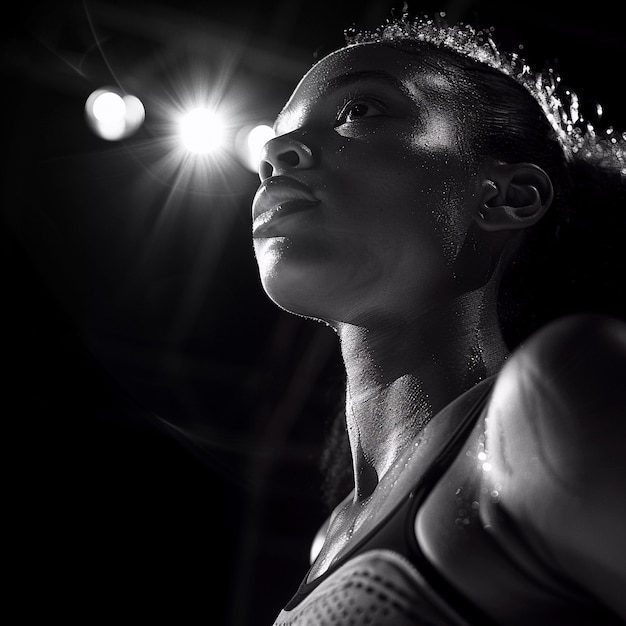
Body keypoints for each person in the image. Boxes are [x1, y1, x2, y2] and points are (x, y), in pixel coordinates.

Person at [251, 11, 626, 625]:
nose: (272, 154)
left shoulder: (552, 407)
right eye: (277, 134)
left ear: (506, 198)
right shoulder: (325, 543)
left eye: (361, 110)